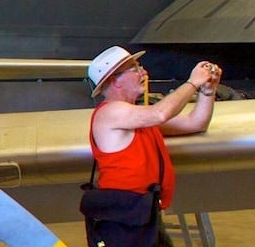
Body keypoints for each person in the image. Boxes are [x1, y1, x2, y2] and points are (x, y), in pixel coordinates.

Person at [84, 46, 220, 247]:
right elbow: (160, 114)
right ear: (114, 81)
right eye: (135, 69)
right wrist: (193, 83)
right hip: (127, 220)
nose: (143, 72)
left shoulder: (136, 117)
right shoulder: (110, 113)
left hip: (142, 215)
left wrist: (208, 91)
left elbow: (195, 123)